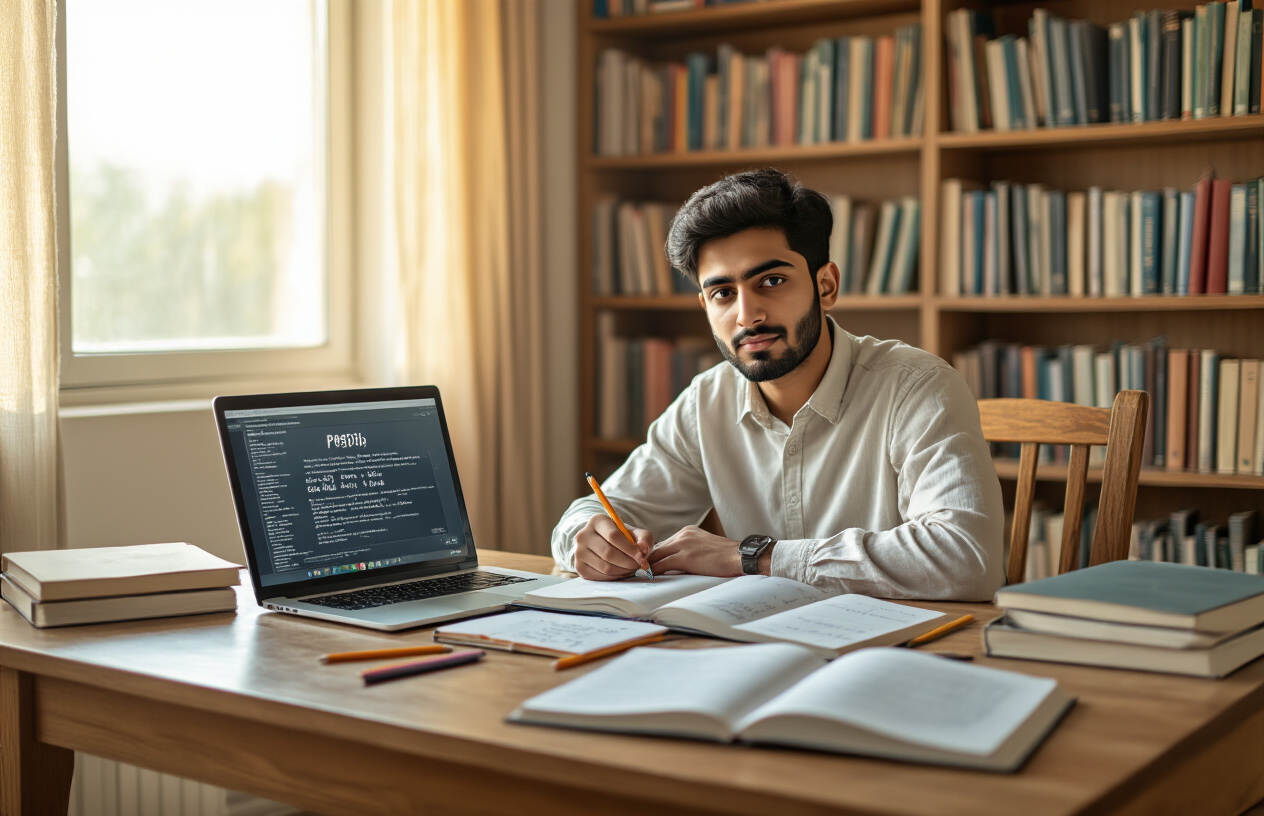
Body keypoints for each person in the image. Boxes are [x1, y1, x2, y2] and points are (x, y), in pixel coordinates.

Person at [551, 169, 1004, 600]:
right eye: (723, 293)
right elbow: (594, 513)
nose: (747, 315)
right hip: (750, 646)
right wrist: (587, 540)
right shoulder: (706, 401)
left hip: (896, 655)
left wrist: (753, 557)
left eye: (771, 280)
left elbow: (966, 557)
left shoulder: (917, 387)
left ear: (825, 285)